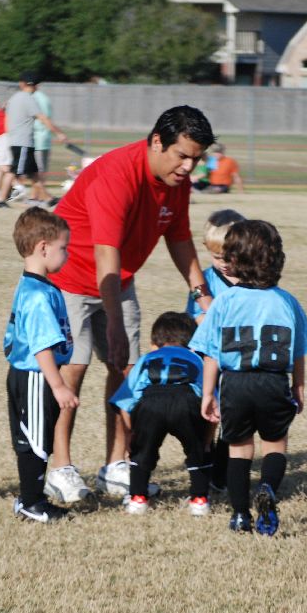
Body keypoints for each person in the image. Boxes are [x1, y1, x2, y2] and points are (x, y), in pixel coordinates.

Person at [44, 105, 216, 503]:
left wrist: (202, 295)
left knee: (127, 370)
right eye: (182, 156)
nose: (188, 167)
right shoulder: (117, 174)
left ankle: (117, 464)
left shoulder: (177, 181)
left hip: (118, 279)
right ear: (157, 142)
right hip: (70, 278)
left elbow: (179, 237)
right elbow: (106, 252)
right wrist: (115, 324)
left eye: (195, 159)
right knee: (73, 368)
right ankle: (60, 468)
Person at [189, 220, 307, 536]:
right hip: (274, 382)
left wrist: (208, 394)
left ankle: (240, 515)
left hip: (235, 384)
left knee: (239, 450)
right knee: (275, 445)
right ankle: (268, 487)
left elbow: (211, 353)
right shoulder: (286, 301)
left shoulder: (224, 301)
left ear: (233, 260)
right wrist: (298, 386)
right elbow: (298, 350)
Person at [4, 207, 79, 523]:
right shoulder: (37, 294)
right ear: (43, 248)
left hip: (31, 375)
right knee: (35, 440)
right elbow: (41, 345)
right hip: (35, 376)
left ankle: (30, 498)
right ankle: (32, 503)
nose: (67, 254)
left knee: (34, 437)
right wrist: (58, 385)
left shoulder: (37, 286)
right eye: (64, 247)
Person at [109, 312, 211, 516]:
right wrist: (206, 441)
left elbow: (125, 402)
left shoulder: (146, 358)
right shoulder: (197, 359)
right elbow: (211, 403)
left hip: (151, 402)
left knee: (142, 452)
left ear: (155, 342)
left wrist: (131, 436)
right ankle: (199, 500)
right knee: (197, 451)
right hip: (186, 401)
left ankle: (138, 499)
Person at [185, 209, 246, 495]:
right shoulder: (204, 282)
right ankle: (203, 463)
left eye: (229, 256)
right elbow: (197, 318)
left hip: (240, 362)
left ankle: (222, 474)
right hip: (210, 361)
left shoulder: (253, 279)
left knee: (234, 419)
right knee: (209, 416)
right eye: (216, 256)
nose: (223, 263)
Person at [1, 72, 68, 207]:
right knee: (14, 171)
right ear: (36, 86)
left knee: (34, 174)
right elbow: (42, 118)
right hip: (23, 142)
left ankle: (48, 199)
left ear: (21, 83)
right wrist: (59, 133)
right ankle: (0, 200)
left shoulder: (14, 98)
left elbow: (7, 118)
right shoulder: (28, 99)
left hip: (18, 140)